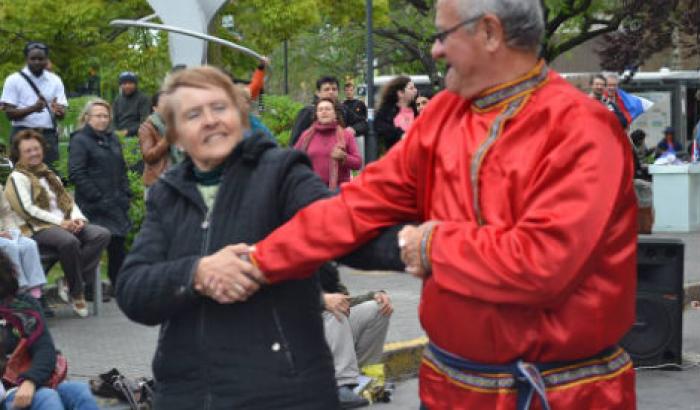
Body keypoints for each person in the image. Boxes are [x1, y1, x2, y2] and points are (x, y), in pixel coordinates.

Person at [228, 0, 638, 408]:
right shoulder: (444, 114)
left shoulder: (582, 128)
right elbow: (356, 206)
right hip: (449, 389)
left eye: (443, 35)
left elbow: (543, 263)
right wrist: (259, 262)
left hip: (562, 394)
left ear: (491, 32)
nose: (436, 50)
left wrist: (429, 245)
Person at [115, 66, 401, 409]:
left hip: (284, 392)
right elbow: (132, 289)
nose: (209, 120)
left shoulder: (281, 173)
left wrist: (413, 245)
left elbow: (339, 222)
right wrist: (196, 274)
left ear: (239, 115)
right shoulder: (167, 195)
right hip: (188, 395)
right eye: (193, 114)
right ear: (175, 134)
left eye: (219, 107)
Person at [4, 130, 111, 318]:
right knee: (69, 242)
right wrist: (62, 223)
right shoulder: (17, 178)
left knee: (101, 234)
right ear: (19, 154)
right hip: (37, 228)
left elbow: (68, 201)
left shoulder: (49, 173)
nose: (34, 153)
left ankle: (69, 283)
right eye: (28, 151)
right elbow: (28, 210)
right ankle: (77, 293)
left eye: (36, 149)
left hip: (64, 223)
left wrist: (79, 219)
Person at [0, 249, 100, 410]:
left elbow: (45, 349)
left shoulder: (23, 304)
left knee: (80, 392)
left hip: (34, 377)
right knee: (47, 398)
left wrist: (30, 381)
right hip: (6, 389)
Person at [68, 99, 131, 297]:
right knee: (95, 246)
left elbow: (121, 169)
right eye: (98, 116)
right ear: (87, 118)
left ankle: (119, 286)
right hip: (93, 204)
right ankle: (87, 289)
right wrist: (97, 196)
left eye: (106, 116)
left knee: (117, 247)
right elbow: (76, 172)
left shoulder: (112, 139)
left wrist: (125, 193)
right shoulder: (79, 140)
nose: (103, 120)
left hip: (116, 202)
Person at [318, 263, 391, 408]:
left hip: (329, 329)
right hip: (300, 334)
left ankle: (364, 380)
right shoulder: (281, 257)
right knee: (336, 310)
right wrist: (322, 300)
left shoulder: (321, 260)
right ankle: (341, 386)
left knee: (377, 309)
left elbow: (344, 300)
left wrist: (373, 296)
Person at [1, 42, 67, 169]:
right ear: (26, 59)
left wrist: (59, 112)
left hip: (47, 135)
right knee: (24, 177)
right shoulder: (13, 80)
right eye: (33, 59)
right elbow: (9, 114)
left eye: (40, 59)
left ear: (46, 60)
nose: (37, 62)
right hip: (22, 134)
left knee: (51, 177)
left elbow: (61, 113)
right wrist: (34, 108)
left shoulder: (55, 80)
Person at [0, 188, 51, 316]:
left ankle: (36, 293)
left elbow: (6, 214)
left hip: (3, 233)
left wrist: (12, 232)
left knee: (29, 245)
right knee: (10, 246)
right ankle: (19, 293)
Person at [294, 98, 362, 190]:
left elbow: (358, 163)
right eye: (320, 109)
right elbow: (294, 158)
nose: (324, 112)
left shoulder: (346, 135)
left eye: (328, 109)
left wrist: (344, 158)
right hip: (312, 190)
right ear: (317, 114)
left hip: (338, 193)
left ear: (335, 114)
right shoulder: (306, 135)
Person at [290, 76, 368, 146]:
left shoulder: (343, 110)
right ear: (318, 93)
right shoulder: (307, 112)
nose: (331, 92)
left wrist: (353, 129)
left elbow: (362, 123)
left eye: (334, 89)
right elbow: (295, 142)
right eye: (326, 89)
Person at [138, 91, 179, 190]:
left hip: (179, 181)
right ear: (155, 108)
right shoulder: (147, 127)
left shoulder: (178, 124)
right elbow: (148, 157)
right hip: (158, 183)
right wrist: (167, 140)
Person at [374, 76, 419, 151]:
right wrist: (401, 134)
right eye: (411, 88)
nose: (415, 91)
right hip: (395, 153)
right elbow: (380, 126)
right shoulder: (387, 110)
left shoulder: (417, 109)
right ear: (400, 93)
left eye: (414, 88)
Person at [112, 71, 151, 138]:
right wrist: (115, 131)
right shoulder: (117, 100)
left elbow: (145, 121)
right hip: (118, 134)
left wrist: (128, 132)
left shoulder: (143, 99)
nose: (127, 86)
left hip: (137, 135)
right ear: (121, 85)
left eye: (130, 83)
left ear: (135, 84)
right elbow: (113, 120)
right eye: (124, 83)